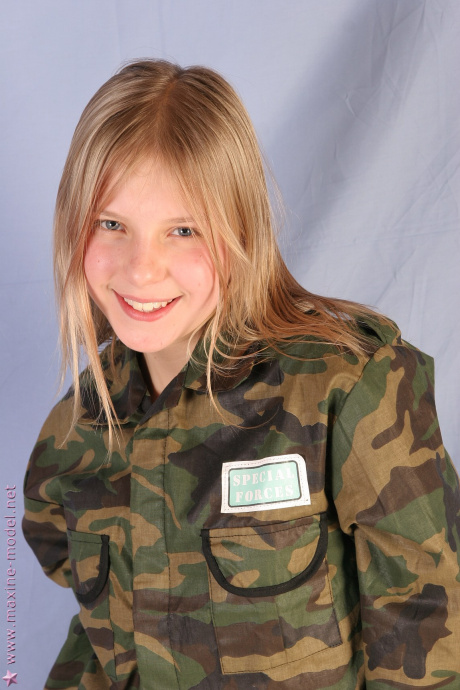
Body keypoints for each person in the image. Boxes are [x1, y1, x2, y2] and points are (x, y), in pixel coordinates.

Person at [23, 59, 460, 690]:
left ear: (240, 230)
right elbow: (98, 638)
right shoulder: (76, 431)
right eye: (111, 224)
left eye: (183, 230)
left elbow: (428, 623)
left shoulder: (349, 389)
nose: (142, 269)